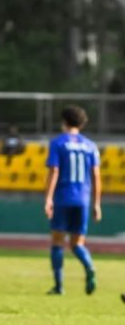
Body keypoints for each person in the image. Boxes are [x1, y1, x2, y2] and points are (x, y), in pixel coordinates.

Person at [44, 105, 101, 296]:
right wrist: (96, 203)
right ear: (81, 123)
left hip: (63, 197)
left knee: (57, 241)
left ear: (64, 122)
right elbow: (96, 175)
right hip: (83, 199)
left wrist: (49, 198)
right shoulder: (90, 145)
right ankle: (89, 267)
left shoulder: (58, 143)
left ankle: (59, 286)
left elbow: (54, 170)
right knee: (77, 244)